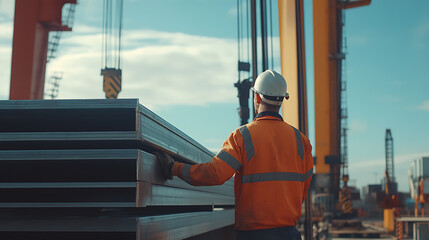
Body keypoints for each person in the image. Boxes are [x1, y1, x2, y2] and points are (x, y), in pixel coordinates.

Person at [155, 70, 313, 240]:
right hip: (290, 234)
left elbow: (215, 173)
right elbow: (302, 188)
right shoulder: (301, 141)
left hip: (254, 235)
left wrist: (174, 168)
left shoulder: (242, 136)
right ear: (282, 100)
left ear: (257, 98)